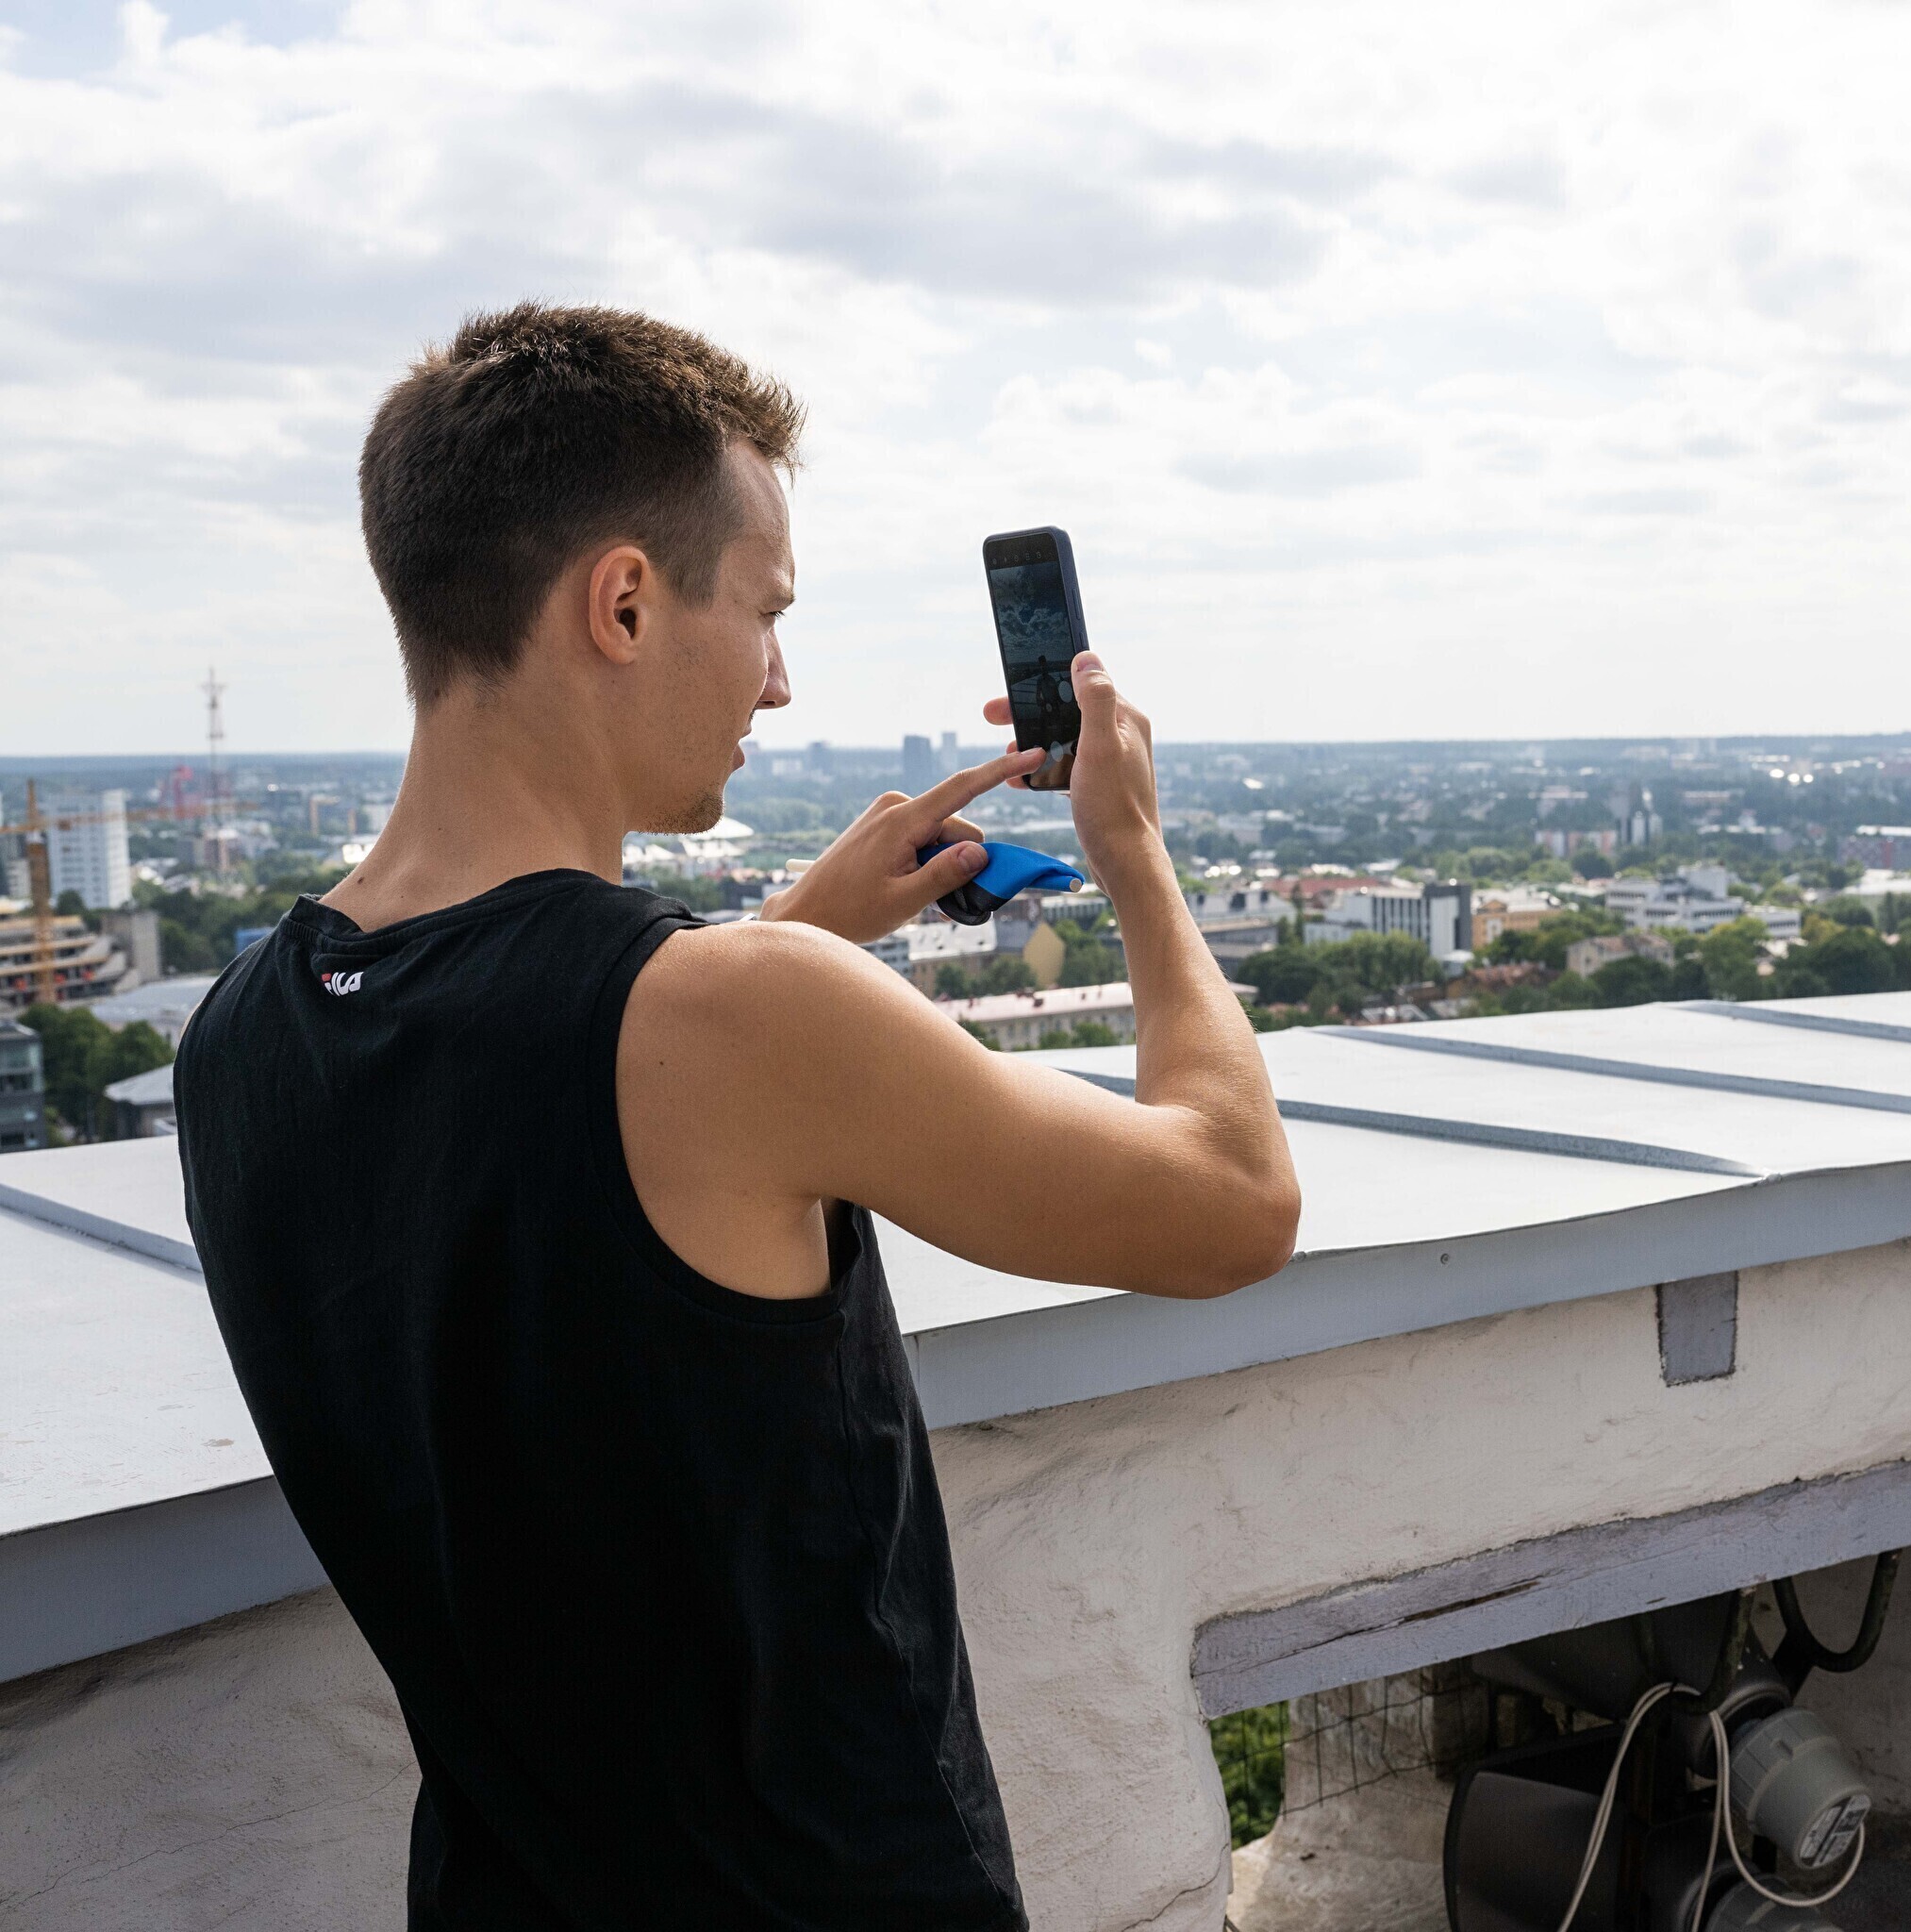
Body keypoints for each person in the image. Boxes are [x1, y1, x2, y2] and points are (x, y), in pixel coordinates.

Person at [174, 304, 1301, 1928]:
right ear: (624, 602)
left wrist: (789, 936)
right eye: (764, 611)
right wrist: (1135, 859)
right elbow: (1235, 1203)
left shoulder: (242, 1036)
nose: (779, 680)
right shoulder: (735, 1020)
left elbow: (537, 1124)